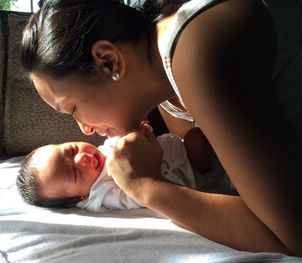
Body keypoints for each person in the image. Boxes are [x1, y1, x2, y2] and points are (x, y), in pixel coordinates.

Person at [20, 0, 302, 255]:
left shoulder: (198, 55)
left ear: (108, 60)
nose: (85, 129)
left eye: (73, 109)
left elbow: (291, 236)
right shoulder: (165, 93)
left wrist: (144, 186)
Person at [16, 124, 196, 212]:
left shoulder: (102, 150)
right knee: (198, 140)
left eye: (72, 150)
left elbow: (123, 138)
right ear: (79, 197)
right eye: (75, 172)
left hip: (180, 149)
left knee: (195, 136)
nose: (82, 158)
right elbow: (136, 198)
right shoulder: (103, 193)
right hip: (187, 175)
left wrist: (137, 132)